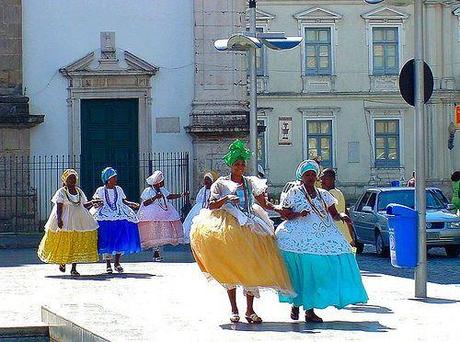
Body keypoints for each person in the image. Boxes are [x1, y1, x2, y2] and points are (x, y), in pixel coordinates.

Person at [190, 140, 292, 324]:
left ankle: (250, 310)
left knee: (251, 266)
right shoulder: (221, 184)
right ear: (230, 165)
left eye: (243, 163)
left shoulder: (251, 182)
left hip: (251, 226)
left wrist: (279, 209)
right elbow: (211, 205)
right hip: (229, 227)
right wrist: (226, 198)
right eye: (237, 164)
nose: (240, 167)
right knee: (231, 266)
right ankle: (234, 308)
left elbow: (263, 203)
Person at [275, 160, 368, 322]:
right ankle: (298, 306)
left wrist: (343, 217)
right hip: (298, 240)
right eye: (307, 175)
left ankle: (310, 310)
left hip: (321, 238)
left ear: (316, 177)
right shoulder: (294, 193)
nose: (310, 177)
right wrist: (298, 215)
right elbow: (285, 213)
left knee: (317, 273)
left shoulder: (324, 194)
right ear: (301, 177)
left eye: (313, 174)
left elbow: (334, 214)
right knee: (300, 273)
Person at [37, 169, 99, 276]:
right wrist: (59, 219)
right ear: (65, 180)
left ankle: (74, 268)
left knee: (76, 242)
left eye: (74, 178)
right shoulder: (61, 192)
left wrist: (93, 203)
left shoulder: (79, 191)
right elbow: (59, 207)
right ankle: (62, 262)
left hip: (79, 221)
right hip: (66, 221)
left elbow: (84, 205)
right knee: (64, 242)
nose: (73, 180)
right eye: (70, 178)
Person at [92, 167, 141, 273]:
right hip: (105, 216)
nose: (116, 180)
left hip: (119, 213)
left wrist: (131, 204)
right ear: (108, 179)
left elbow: (123, 201)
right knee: (107, 238)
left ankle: (117, 262)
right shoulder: (100, 190)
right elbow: (96, 202)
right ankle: (108, 264)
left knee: (120, 237)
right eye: (114, 178)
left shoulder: (118, 189)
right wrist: (97, 203)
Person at [137, 170, 188, 261]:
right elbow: (145, 203)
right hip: (152, 216)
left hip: (163, 215)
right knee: (154, 233)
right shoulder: (148, 190)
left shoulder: (162, 190)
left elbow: (169, 196)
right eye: (162, 180)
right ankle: (155, 252)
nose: (163, 182)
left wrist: (181, 195)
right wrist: (155, 197)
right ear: (157, 182)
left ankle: (157, 252)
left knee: (160, 233)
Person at [320, 168, 355, 247]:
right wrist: (351, 236)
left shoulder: (331, 194)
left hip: (337, 235)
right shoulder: (338, 192)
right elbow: (346, 214)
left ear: (333, 180)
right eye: (321, 179)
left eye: (326, 179)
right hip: (344, 235)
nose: (322, 182)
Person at [182, 172, 215, 244]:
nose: (206, 181)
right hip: (199, 207)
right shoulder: (202, 189)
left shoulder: (214, 190)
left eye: (208, 180)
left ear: (211, 181)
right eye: (205, 180)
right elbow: (198, 199)